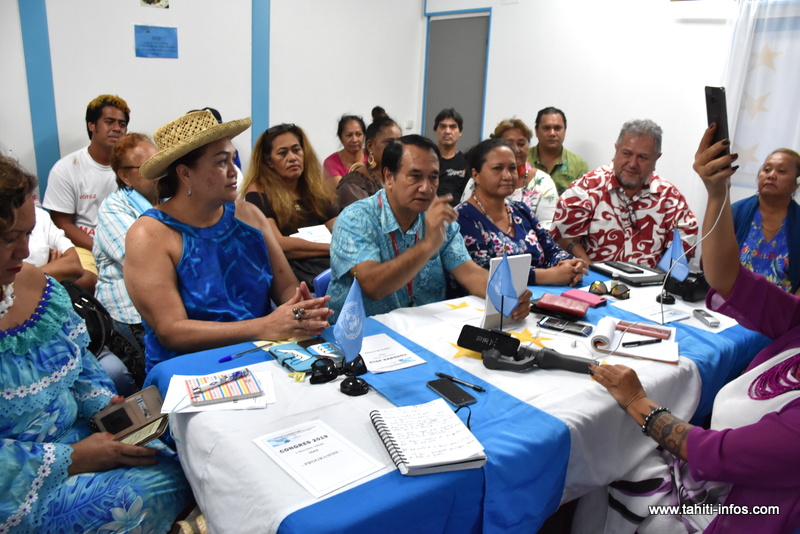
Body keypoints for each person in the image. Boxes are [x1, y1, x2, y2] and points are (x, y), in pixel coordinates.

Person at [587, 124, 800, 533]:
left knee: (614, 464)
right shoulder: (796, 321)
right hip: (717, 473)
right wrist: (717, 192)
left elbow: (714, 454)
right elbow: (727, 279)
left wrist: (636, 400)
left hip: (744, 513)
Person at [0, 155, 190, 532]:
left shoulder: (35, 285)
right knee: (139, 496)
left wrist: (105, 407)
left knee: (181, 456)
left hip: (85, 437)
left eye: (28, 234)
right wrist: (71, 458)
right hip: (22, 477)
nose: (24, 251)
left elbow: (81, 369)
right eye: (9, 239)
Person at [126, 111, 332, 372]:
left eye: (233, 159)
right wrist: (265, 326)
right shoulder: (149, 235)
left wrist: (301, 310)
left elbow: (286, 288)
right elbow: (172, 331)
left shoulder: (249, 216)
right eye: (222, 162)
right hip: (190, 369)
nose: (235, 171)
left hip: (264, 354)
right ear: (185, 173)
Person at [328, 134, 531, 320]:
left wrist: (506, 295)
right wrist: (428, 245)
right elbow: (373, 286)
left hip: (422, 330)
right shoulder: (356, 218)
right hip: (362, 334)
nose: (426, 188)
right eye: (415, 176)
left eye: (433, 177)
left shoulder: (438, 217)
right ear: (389, 177)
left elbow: (469, 273)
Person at [551, 119, 698, 268]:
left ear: (656, 158)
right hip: (594, 279)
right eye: (627, 153)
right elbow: (563, 237)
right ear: (616, 150)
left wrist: (660, 278)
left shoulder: (669, 198)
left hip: (652, 280)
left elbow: (685, 244)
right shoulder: (586, 188)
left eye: (643, 157)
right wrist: (591, 274)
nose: (633, 164)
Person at [456, 138, 586, 286]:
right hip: (491, 297)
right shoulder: (462, 218)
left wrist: (570, 264)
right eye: (498, 168)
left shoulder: (521, 210)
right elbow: (483, 271)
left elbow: (550, 249)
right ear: (476, 175)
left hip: (543, 293)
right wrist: (549, 275)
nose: (507, 176)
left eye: (512, 168)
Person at [42, 94, 130, 284]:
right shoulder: (66, 168)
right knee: (84, 282)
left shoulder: (134, 168)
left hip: (127, 245)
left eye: (122, 124)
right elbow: (62, 222)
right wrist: (101, 247)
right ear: (91, 125)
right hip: (85, 246)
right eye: (109, 122)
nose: (117, 128)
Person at [93, 133, 159, 384]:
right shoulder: (113, 208)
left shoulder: (169, 199)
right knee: (156, 379)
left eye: (159, 162)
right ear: (125, 176)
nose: (158, 171)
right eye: (148, 166)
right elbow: (145, 262)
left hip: (170, 301)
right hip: (130, 312)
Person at [243, 123, 339, 290]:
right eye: (282, 153)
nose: (292, 157)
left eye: (296, 150)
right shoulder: (258, 191)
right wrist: (333, 248)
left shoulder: (315, 187)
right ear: (269, 161)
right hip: (289, 281)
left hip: (328, 270)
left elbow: (339, 229)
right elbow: (278, 245)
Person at [461, 118, 559, 230]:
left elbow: (547, 229)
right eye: (509, 144)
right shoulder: (478, 179)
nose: (516, 149)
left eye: (521, 144)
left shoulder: (544, 182)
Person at [731, 148, 800, 294]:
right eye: (767, 169)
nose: (771, 175)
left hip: (784, 306)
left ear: (796, 183)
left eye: (781, 171)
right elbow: (713, 264)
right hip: (732, 302)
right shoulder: (735, 212)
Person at [336, 106, 402, 210]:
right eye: (389, 142)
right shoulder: (353, 185)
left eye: (400, 143)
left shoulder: (402, 176)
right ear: (370, 146)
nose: (397, 148)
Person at [528, 106, 589, 195]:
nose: (552, 133)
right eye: (546, 128)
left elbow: (584, 199)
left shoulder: (579, 165)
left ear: (565, 131)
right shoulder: (522, 160)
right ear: (536, 131)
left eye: (557, 128)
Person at [24, 205, 84, 282]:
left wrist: (36, 276)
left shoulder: (40, 216)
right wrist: (51, 272)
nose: (25, 253)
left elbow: (74, 265)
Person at [432, 108, 470, 206]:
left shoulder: (467, 162)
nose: (447, 131)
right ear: (435, 130)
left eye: (453, 127)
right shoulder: (426, 161)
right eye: (443, 127)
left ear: (460, 132)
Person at [322, 114, 368, 193]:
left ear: (364, 136)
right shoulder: (331, 163)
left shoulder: (372, 157)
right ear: (341, 138)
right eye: (349, 135)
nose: (354, 139)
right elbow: (345, 194)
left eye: (358, 134)